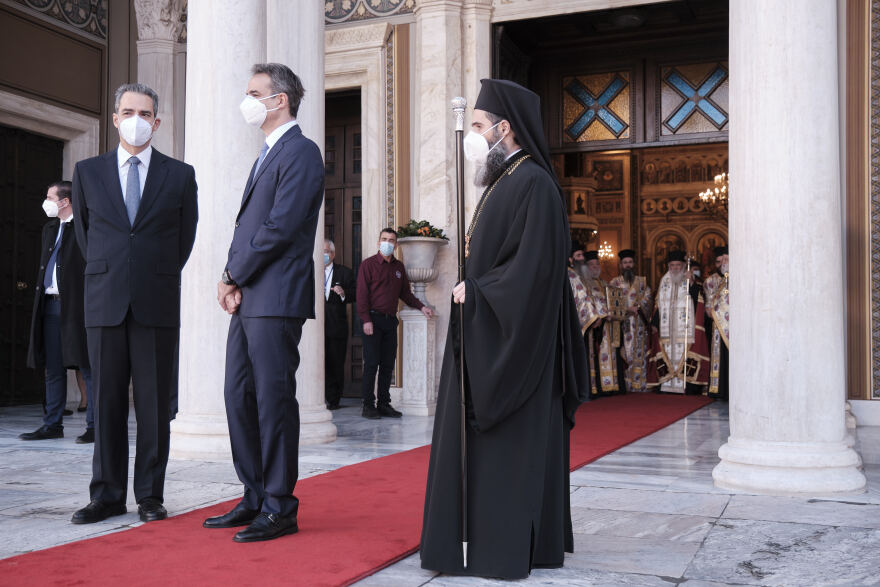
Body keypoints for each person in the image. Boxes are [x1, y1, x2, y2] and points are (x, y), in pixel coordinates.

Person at [420, 78, 589, 580]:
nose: (473, 134)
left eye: (478, 126)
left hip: (514, 337)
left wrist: (484, 291)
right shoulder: (504, 180)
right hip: (484, 327)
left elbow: (535, 268)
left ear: (504, 128)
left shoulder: (533, 182)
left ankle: (506, 547)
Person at [204, 63, 323, 543]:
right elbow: (249, 228)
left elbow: (279, 227)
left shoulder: (302, 152)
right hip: (251, 294)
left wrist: (233, 274)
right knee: (238, 395)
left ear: (281, 100)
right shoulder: (268, 152)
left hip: (276, 297)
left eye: (255, 92)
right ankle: (254, 494)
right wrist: (233, 281)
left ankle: (279, 505)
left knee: (273, 400)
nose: (247, 99)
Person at [70, 83, 198, 525]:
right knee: (104, 403)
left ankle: (149, 495)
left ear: (157, 122)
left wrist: (149, 273)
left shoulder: (179, 175)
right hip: (104, 301)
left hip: (156, 301)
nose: (136, 119)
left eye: (145, 112)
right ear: (115, 117)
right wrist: (115, 271)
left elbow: (184, 239)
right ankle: (105, 495)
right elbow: (87, 236)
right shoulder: (87, 172)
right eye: (128, 111)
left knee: (153, 403)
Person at [20, 181, 94, 444]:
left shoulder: (86, 227)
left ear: (65, 202)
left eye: (50, 197)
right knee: (53, 368)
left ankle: (94, 427)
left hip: (77, 305)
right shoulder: (49, 228)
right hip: (50, 304)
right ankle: (52, 424)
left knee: (87, 365)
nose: (46, 201)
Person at [356, 228, 434, 419]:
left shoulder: (399, 268)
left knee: (388, 365)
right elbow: (361, 296)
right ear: (378, 242)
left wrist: (422, 306)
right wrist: (366, 320)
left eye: (391, 240)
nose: (388, 243)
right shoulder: (368, 265)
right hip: (372, 320)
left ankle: (384, 404)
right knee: (372, 364)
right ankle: (368, 405)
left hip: (390, 321)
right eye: (384, 239)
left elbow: (405, 294)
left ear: (396, 245)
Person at [647, 250, 709, 394]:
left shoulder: (690, 279)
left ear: (683, 266)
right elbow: (658, 304)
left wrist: (692, 282)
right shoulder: (664, 281)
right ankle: (667, 385)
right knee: (668, 354)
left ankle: (685, 386)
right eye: (672, 265)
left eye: (678, 265)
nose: (675, 268)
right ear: (669, 266)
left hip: (685, 329)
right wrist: (655, 323)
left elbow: (698, 301)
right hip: (667, 330)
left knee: (683, 355)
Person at [608, 249, 653, 393]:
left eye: (630, 262)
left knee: (639, 352)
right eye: (625, 263)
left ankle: (639, 383)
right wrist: (628, 309)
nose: (628, 265)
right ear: (621, 265)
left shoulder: (642, 281)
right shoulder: (614, 282)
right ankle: (625, 384)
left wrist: (638, 307)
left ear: (634, 264)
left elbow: (648, 297)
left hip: (639, 324)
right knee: (625, 353)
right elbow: (611, 304)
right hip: (623, 324)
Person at [581, 250, 621, 397]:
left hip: (608, 327)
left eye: (597, 264)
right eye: (591, 265)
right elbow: (589, 303)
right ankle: (596, 387)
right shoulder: (584, 284)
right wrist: (602, 315)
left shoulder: (605, 283)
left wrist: (615, 313)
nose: (594, 267)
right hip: (595, 325)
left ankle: (610, 386)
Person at [323, 239, 355, 410]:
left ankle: (333, 400)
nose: (324, 254)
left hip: (336, 326)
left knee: (335, 363)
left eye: (327, 251)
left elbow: (355, 293)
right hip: (314, 328)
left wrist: (343, 294)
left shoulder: (344, 273)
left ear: (333, 254)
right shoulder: (310, 270)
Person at [703, 246, 729, 399]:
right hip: (718, 327)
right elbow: (708, 306)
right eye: (720, 261)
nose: (722, 264)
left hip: (736, 327)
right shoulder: (710, 281)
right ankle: (719, 390)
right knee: (720, 358)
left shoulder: (738, 277)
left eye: (726, 260)